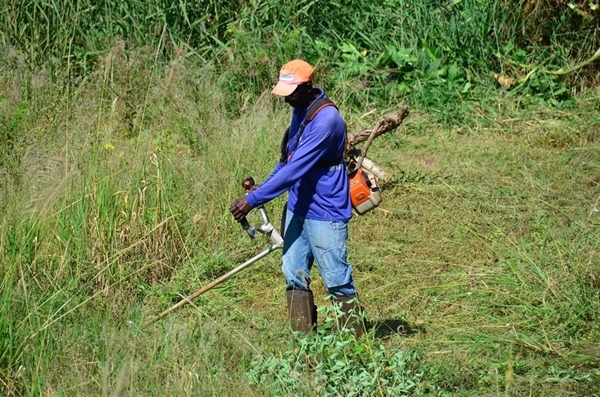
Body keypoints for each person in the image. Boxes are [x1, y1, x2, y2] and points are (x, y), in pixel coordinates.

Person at [229, 59, 365, 336]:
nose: (286, 99)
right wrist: (262, 188)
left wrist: (253, 201)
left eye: (291, 92)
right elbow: (287, 159)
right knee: (293, 274)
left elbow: (294, 169)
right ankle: (304, 344)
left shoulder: (327, 120)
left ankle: (357, 347)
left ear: (306, 86)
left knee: (337, 279)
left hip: (325, 209)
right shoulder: (299, 109)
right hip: (298, 206)